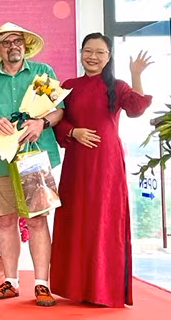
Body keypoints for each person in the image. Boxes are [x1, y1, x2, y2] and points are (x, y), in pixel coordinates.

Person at [50, 34, 153, 307]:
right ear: (81, 52)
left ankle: (103, 289)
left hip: (107, 165)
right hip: (77, 163)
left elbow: (136, 109)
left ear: (108, 57)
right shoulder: (68, 86)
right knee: (77, 219)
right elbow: (56, 122)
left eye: (99, 52)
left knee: (105, 221)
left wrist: (135, 75)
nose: (92, 57)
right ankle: (78, 287)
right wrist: (73, 131)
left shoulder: (116, 87)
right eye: (88, 51)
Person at [0, 23, 63, 307]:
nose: (13, 46)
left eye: (17, 41)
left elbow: (59, 110)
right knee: (5, 220)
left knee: (37, 220)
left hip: (34, 156)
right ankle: (9, 281)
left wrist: (41, 122)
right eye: (6, 42)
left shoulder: (42, 73)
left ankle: (42, 284)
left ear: (25, 45)